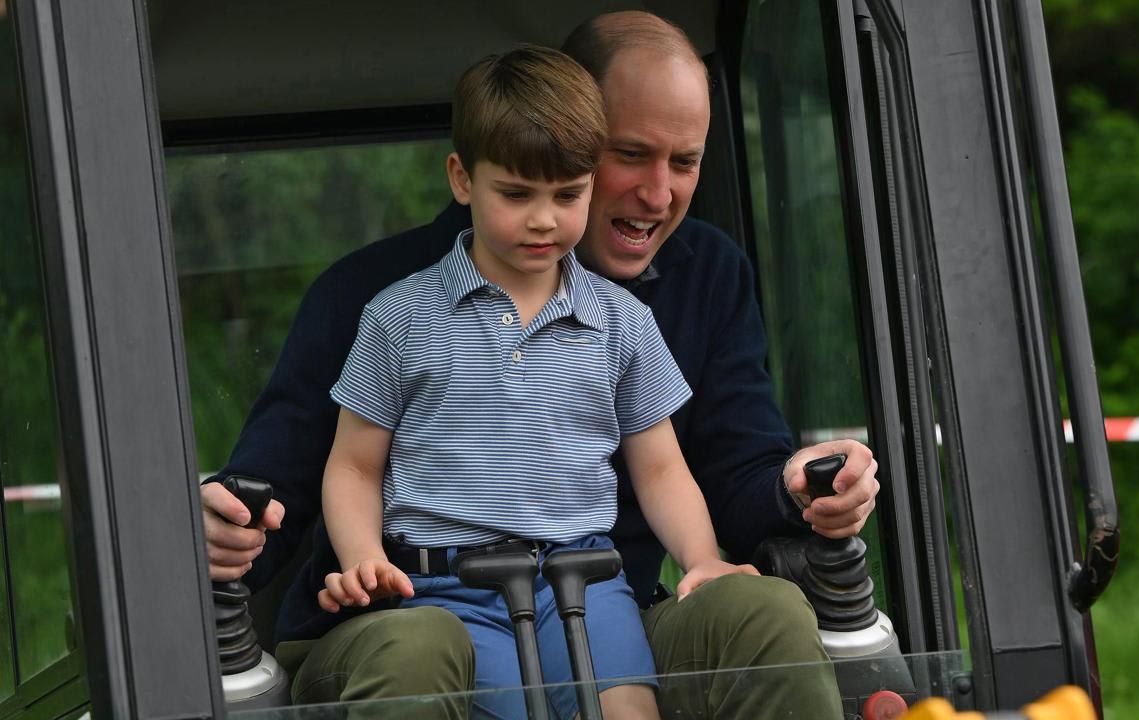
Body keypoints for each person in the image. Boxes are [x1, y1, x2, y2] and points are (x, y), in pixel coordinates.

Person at [202, 10, 880, 720]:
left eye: (684, 162)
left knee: (760, 610)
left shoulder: (689, 285)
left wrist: (796, 492)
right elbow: (293, 483)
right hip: (411, 609)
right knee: (422, 650)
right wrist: (230, 528)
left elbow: (696, 470)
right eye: (632, 154)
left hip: (595, 596)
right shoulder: (380, 302)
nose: (658, 194)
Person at [318, 44, 757, 720]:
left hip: (585, 579)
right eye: (517, 195)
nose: (545, 219)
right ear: (462, 180)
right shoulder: (398, 316)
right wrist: (364, 559)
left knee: (628, 711)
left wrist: (702, 558)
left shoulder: (622, 321)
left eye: (568, 195)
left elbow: (662, 467)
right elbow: (352, 464)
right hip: (447, 588)